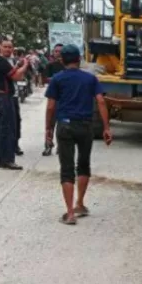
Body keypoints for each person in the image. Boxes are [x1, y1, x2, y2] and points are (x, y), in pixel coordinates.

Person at [45, 44, 112, 225]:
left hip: (65, 126)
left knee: (66, 169)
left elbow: (51, 106)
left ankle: (70, 213)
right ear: (79, 59)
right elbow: (101, 101)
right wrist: (106, 127)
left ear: (62, 60)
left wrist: (48, 130)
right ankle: (80, 204)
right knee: (83, 164)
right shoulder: (90, 79)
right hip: (85, 126)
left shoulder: (57, 79)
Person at [0, 36, 28, 170]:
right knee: (6, 128)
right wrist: (25, 65)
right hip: (1, 97)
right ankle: (7, 160)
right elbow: (16, 76)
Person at [0, 39, 25, 156]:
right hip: (3, 95)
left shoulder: (15, 60)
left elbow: (20, 76)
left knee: (16, 121)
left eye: (10, 47)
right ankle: (7, 146)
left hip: (14, 95)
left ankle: (15, 144)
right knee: (6, 122)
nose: (7, 49)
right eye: (5, 47)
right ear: (1, 48)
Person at [42, 43, 65, 157]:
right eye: (56, 51)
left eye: (61, 51)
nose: (58, 53)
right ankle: (48, 145)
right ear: (53, 53)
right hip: (53, 98)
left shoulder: (68, 66)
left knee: (63, 124)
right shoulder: (50, 66)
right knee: (50, 123)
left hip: (65, 100)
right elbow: (45, 79)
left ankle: (61, 146)